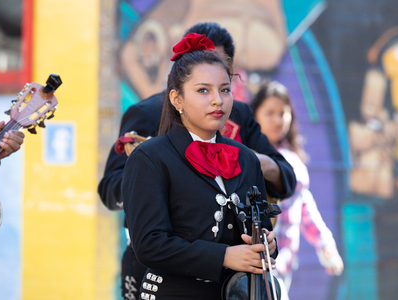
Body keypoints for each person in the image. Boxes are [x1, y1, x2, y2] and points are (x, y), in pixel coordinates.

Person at [98, 22, 296, 300]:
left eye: (224, 89)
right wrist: (225, 256)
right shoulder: (150, 156)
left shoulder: (246, 158)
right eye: (203, 90)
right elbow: (150, 244)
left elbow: (261, 227)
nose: (217, 100)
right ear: (177, 98)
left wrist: (266, 245)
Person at [250, 81, 344, 297]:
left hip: (281, 267)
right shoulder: (244, 156)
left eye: (283, 113)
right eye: (270, 113)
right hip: (250, 263)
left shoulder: (292, 162)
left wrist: (325, 245)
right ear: (254, 116)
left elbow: (305, 209)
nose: (277, 119)